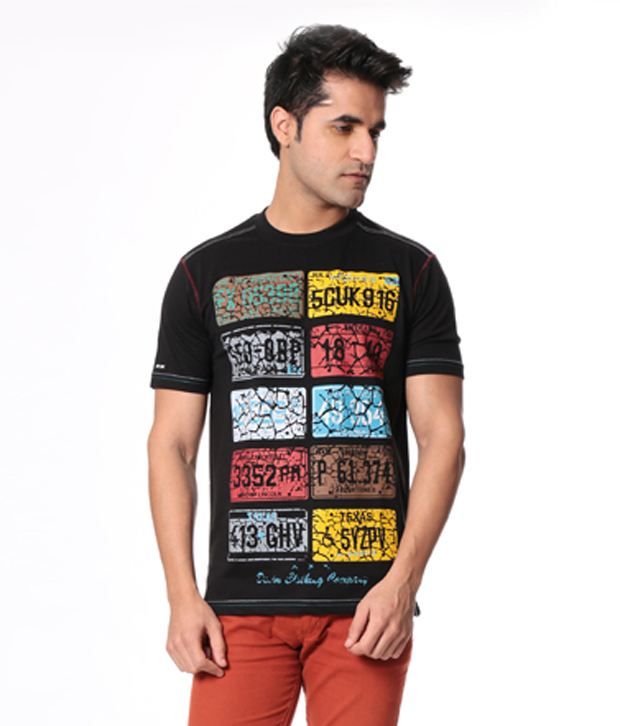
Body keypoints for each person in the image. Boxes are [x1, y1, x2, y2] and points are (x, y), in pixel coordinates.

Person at [147, 23, 466, 726]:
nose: (366, 152)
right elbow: (172, 443)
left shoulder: (411, 271)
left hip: (365, 609)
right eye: (344, 127)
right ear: (284, 125)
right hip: (238, 611)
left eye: (375, 131)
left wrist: (402, 584)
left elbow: (443, 436)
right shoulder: (205, 274)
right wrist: (181, 595)